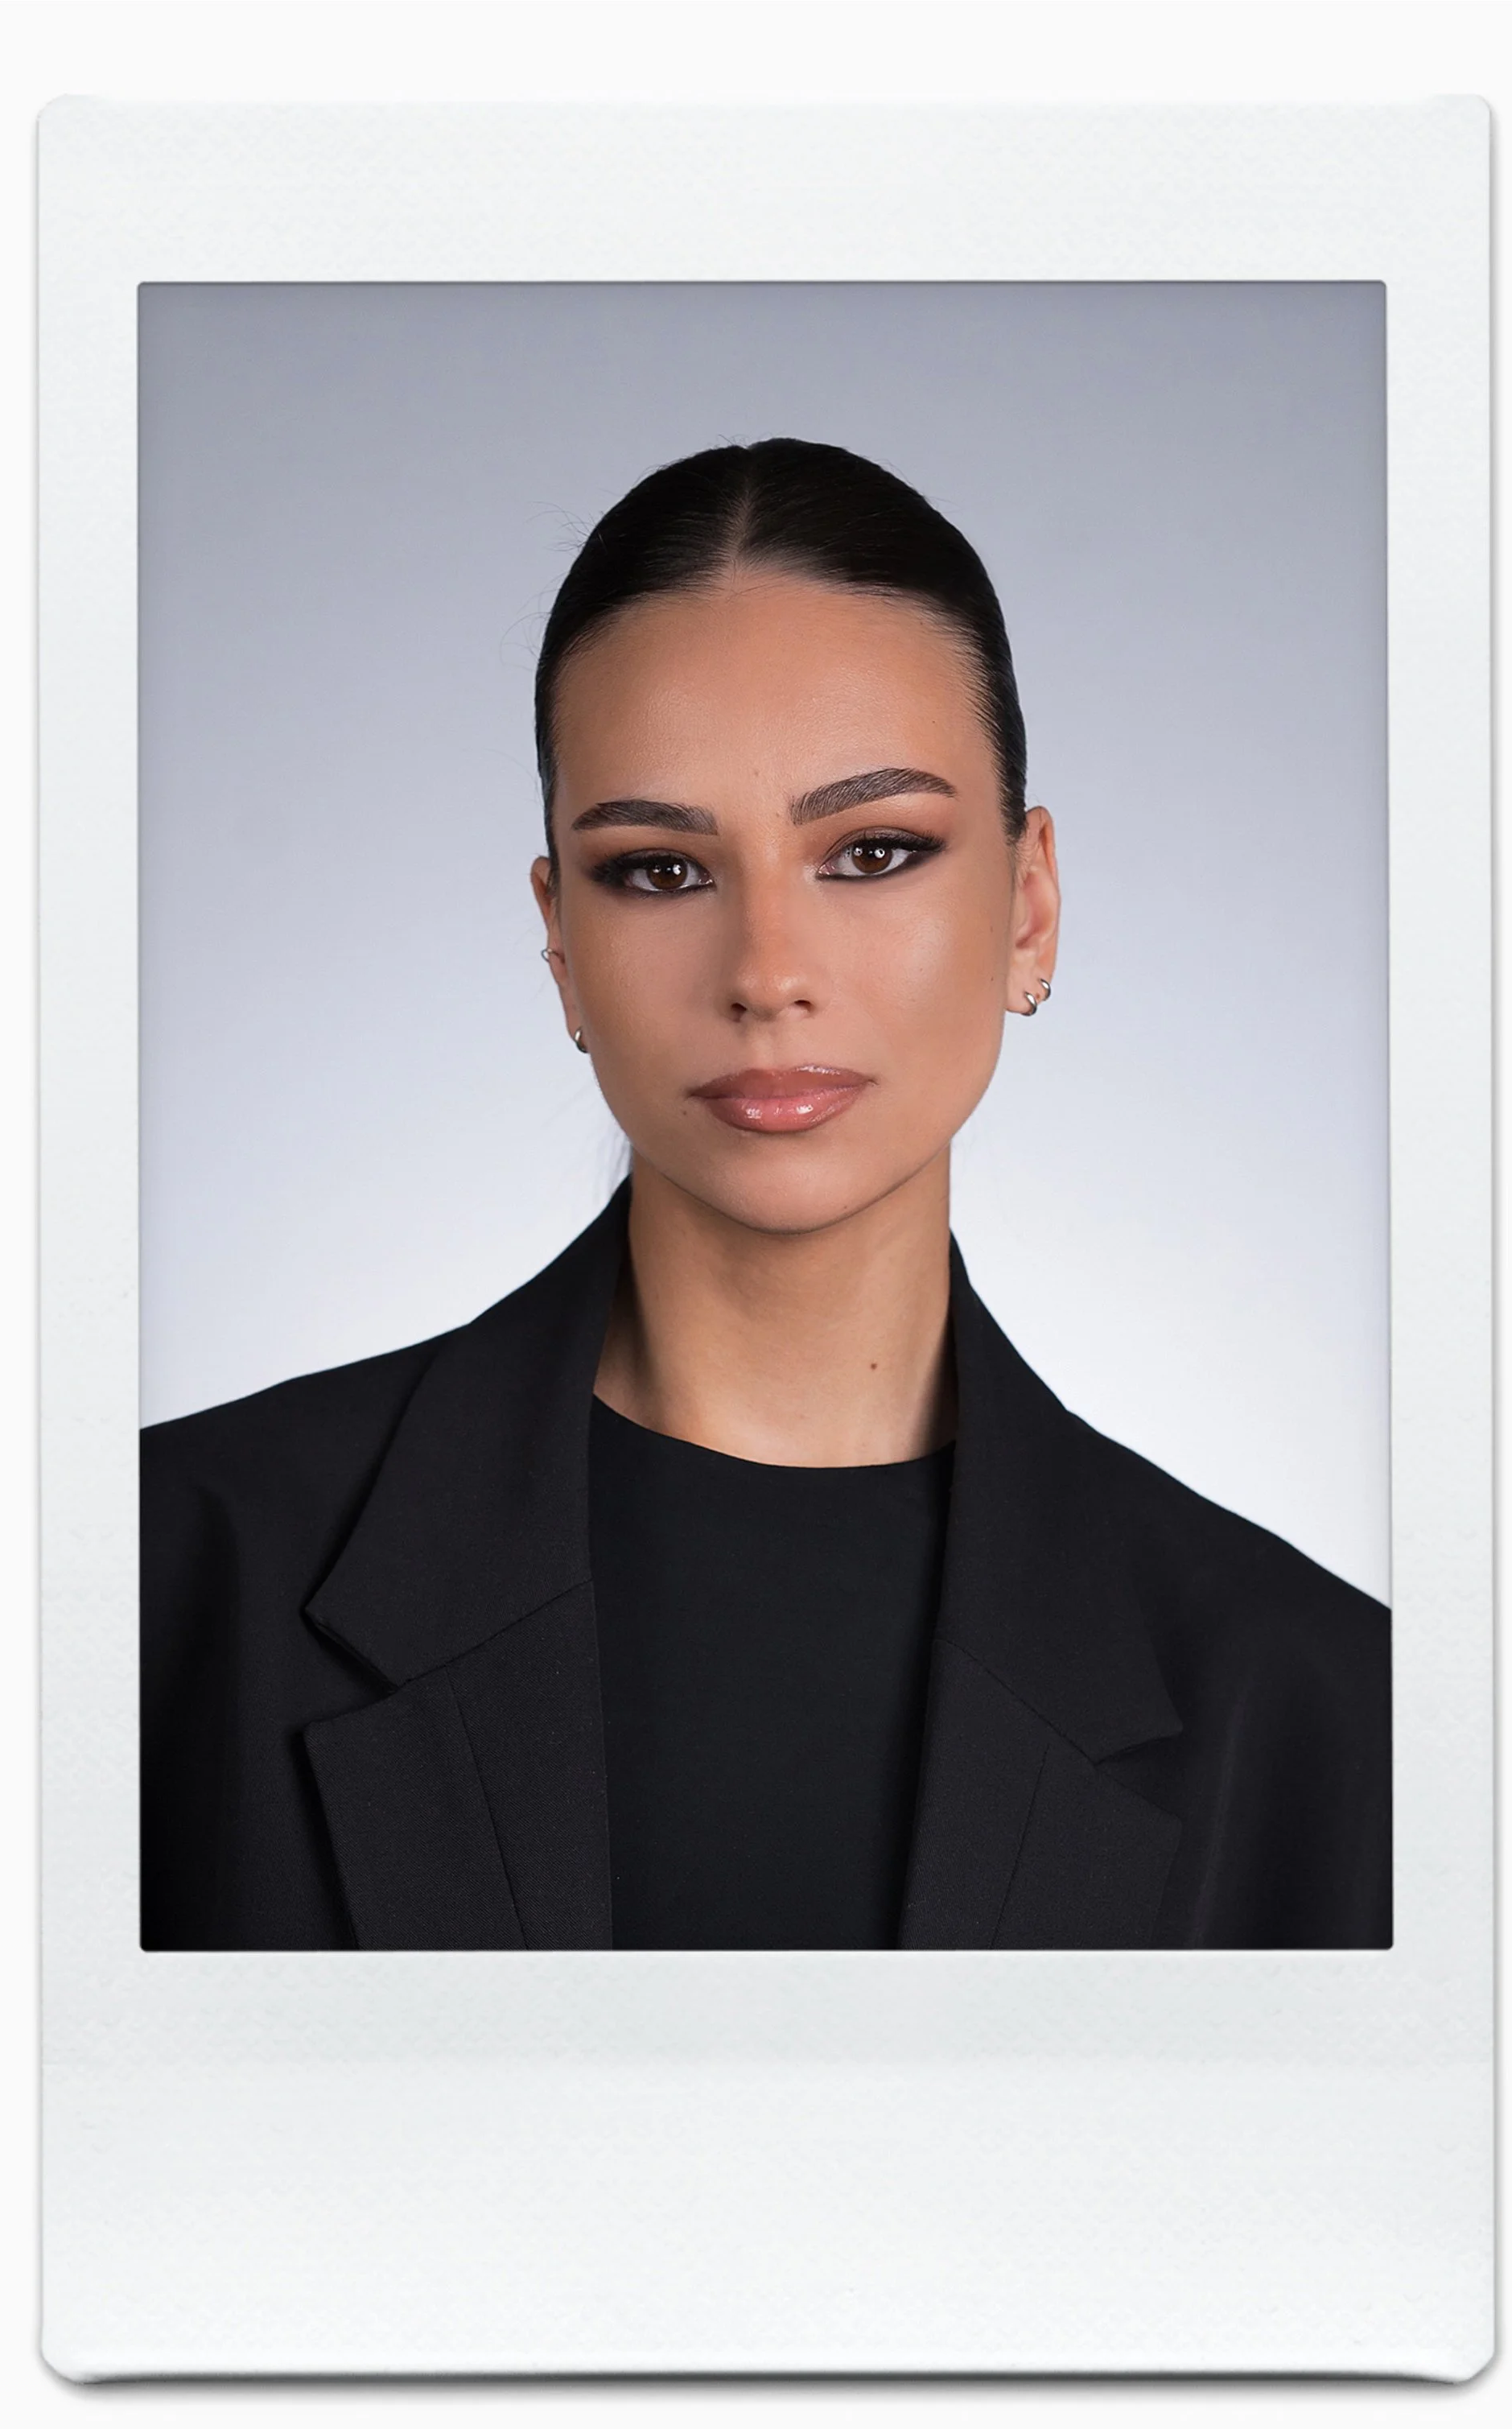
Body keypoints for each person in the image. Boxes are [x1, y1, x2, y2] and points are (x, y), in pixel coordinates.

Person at [141, 437, 1390, 1953]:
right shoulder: (148, 1584)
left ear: (1028, 906)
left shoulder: (1324, 1710)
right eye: (660, 870)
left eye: (872, 850)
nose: (766, 973)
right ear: (559, 940)